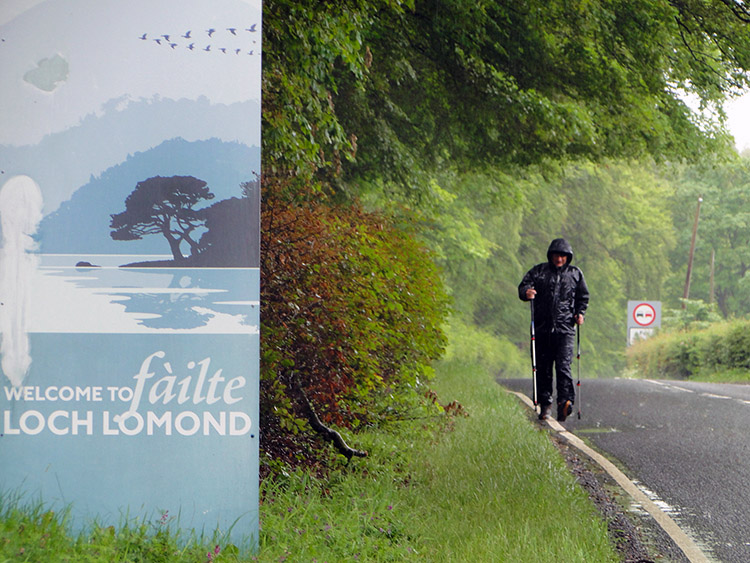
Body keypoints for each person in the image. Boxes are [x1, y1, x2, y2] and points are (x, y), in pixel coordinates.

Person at [518, 238, 589, 422]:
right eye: (557, 255)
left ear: (568, 257)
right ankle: (545, 403)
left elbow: (583, 297)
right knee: (543, 368)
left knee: (564, 367)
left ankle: (565, 402)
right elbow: (523, 286)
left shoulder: (575, 274)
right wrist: (527, 292)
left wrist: (580, 313)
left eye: (563, 256)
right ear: (551, 255)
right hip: (542, 329)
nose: (560, 259)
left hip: (565, 329)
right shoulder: (539, 271)